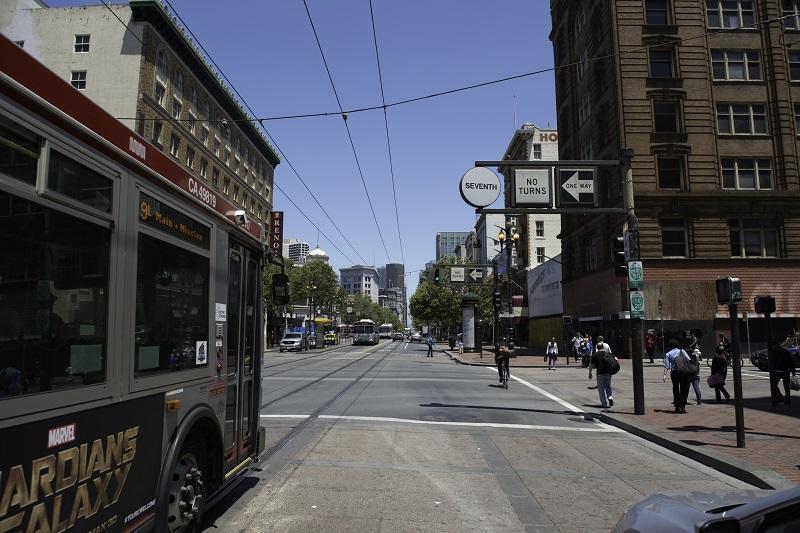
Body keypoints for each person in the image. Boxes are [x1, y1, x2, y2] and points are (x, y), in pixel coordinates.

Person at [664, 339, 691, 413]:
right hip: (683, 372)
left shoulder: (668, 354)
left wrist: (664, 375)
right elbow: (688, 359)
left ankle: (677, 406)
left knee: (675, 389)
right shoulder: (682, 351)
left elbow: (666, 366)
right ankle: (683, 407)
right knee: (683, 389)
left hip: (674, 373)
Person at [589, 342, 614, 408]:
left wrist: (590, 373)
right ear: (603, 347)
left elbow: (591, 365)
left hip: (600, 373)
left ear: (597, 347)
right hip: (608, 372)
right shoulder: (607, 353)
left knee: (601, 389)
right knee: (608, 386)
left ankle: (604, 404)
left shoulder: (595, 355)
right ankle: (610, 397)